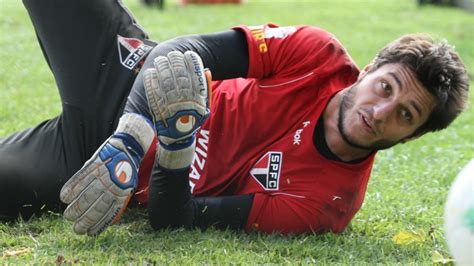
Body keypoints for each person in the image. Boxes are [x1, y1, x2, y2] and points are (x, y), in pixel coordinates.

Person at [0, 0, 469, 236]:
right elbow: (180, 52)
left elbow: (175, 217)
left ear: (411, 136)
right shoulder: (316, 53)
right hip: (125, 77)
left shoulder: (330, 203)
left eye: (405, 114)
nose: (381, 111)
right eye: (385, 88)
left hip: (89, 165)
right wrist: (134, 133)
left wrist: (176, 142)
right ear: (367, 71)